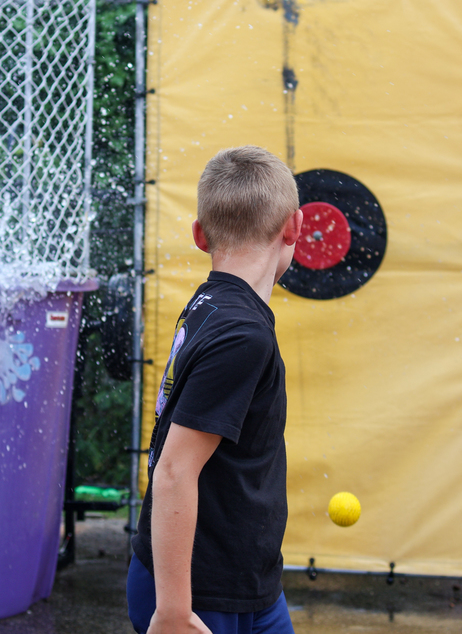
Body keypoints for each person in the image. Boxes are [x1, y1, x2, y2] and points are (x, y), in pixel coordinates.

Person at [128, 146, 304, 634]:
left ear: (200, 235)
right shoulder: (242, 334)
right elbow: (174, 472)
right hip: (201, 593)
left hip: (249, 581)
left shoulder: (211, 303)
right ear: (294, 228)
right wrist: (174, 611)